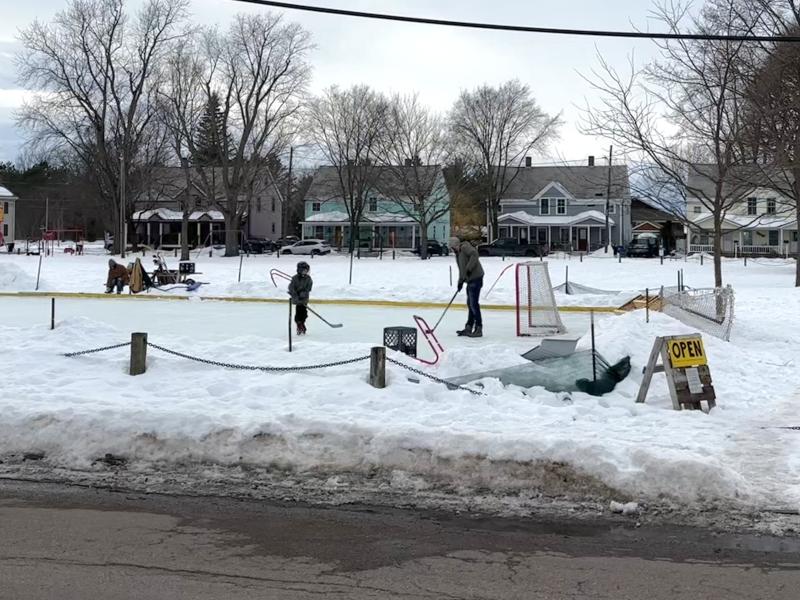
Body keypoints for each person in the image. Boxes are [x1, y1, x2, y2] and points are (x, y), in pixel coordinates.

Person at [449, 236, 485, 337]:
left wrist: (469, 268)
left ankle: (479, 328)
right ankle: (469, 327)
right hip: (470, 280)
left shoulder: (465, 247)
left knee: (473, 304)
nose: (452, 250)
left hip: (476, 278)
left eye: (452, 247)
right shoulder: (458, 254)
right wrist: (460, 282)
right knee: (470, 304)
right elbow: (462, 270)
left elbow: (475, 254)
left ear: (456, 245)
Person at [288, 261, 313, 335]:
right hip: (297, 300)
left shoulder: (308, 278)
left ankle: (302, 323)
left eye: (306, 271)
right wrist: (295, 294)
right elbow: (291, 287)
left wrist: (304, 293)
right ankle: (299, 325)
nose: (306, 272)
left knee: (304, 314)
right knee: (299, 312)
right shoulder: (295, 278)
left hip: (304, 299)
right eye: (304, 270)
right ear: (299, 270)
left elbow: (309, 287)